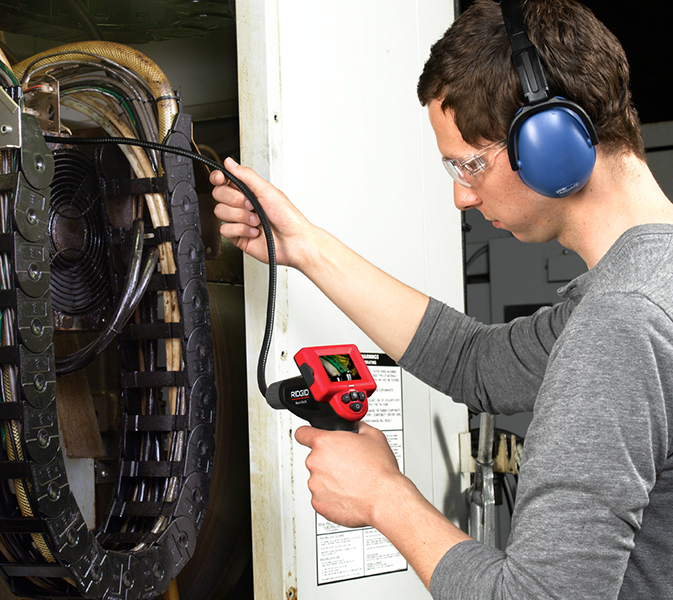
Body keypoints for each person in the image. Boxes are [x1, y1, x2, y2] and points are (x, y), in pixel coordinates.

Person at [210, 0, 673, 597]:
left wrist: (383, 496)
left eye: (469, 165)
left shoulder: (621, 320)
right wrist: (305, 246)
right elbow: (476, 362)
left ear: (549, 143)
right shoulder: (646, 286)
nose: (462, 197)